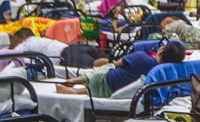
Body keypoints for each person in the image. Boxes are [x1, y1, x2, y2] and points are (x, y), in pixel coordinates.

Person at [56, 41, 185, 98]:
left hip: (104, 81)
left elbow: (115, 64)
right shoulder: (165, 73)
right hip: (116, 90)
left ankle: (74, 84)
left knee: (107, 67)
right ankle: (77, 86)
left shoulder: (141, 57)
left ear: (161, 50)